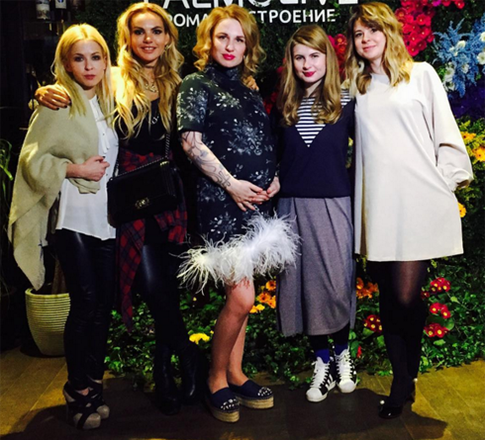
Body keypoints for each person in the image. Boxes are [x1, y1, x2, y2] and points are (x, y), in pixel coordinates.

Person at [34, 2, 203, 417]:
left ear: (168, 37)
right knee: (151, 286)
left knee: (166, 290)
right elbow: (75, 90)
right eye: (139, 31)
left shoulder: (180, 83)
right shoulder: (112, 78)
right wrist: (43, 92)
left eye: (156, 31)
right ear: (126, 38)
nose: (148, 39)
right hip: (127, 201)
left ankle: (164, 373)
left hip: (170, 199)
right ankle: (187, 355)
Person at [345, 2, 473, 419]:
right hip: (378, 205)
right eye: (359, 34)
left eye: (373, 30)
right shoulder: (356, 85)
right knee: (388, 296)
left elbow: (446, 132)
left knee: (405, 296)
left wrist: (443, 183)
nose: (366, 39)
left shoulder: (421, 74)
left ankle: (407, 375)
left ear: (389, 32)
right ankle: (402, 379)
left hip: (417, 200)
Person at [177, 5, 296, 423]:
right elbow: (191, 144)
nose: (230, 46)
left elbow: (263, 140)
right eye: (222, 37)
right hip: (221, 204)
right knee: (243, 295)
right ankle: (215, 377)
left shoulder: (248, 89)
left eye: (239, 39)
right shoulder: (195, 83)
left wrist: (275, 177)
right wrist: (231, 184)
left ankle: (236, 372)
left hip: (256, 203)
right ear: (208, 41)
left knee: (241, 297)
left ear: (248, 47)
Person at [9, 24, 117, 430]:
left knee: (102, 306)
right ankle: (77, 388)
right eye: (79, 58)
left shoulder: (112, 100)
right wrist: (75, 169)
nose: (88, 66)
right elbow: (31, 161)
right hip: (73, 217)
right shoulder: (57, 103)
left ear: (106, 61)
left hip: (109, 218)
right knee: (85, 302)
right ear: (66, 63)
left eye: (96, 57)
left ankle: (93, 383)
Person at [274, 24, 357, 404]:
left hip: (335, 203)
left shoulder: (348, 100)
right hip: (292, 205)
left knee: (336, 283)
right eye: (299, 57)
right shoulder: (284, 103)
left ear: (328, 58)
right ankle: (321, 361)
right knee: (304, 287)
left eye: (315, 55)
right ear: (291, 61)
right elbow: (277, 157)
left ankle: (343, 355)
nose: (307, 64)